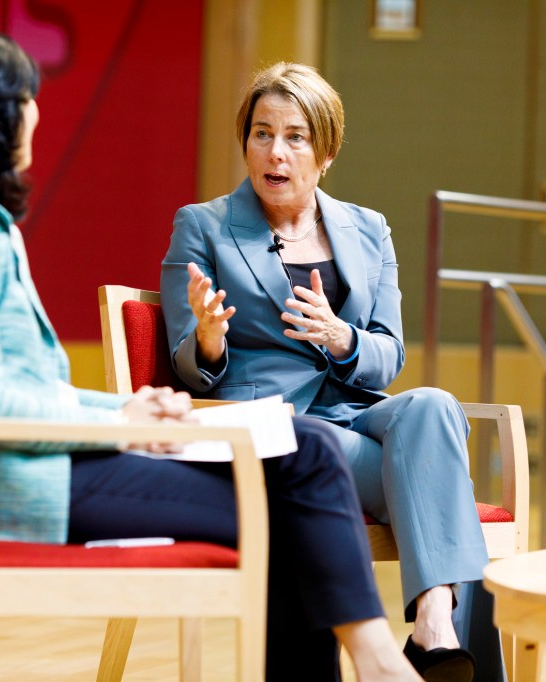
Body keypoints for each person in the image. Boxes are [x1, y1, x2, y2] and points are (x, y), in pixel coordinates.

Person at [0, 23, 425, 682]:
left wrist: (126, 406)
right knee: (298, 484)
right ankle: (382, 663)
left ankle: (378, 661)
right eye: (21, 94)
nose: (34, 109)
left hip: (44, 462)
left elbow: (6, 382)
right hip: (30, 482)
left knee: (306, 449)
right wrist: (119, 425)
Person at [161, 62, 501, 682]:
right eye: (261, 133)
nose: (275, 152)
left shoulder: (369, 231)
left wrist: (342, 337)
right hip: (275, 432)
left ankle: (433, 621)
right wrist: (208, 339)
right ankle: (439, 638)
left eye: (295, 136)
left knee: (432, 405)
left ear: (326, 150)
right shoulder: (204, 226)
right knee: (436, 475)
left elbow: (388, 354)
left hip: (355, 413)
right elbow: (187, 361)